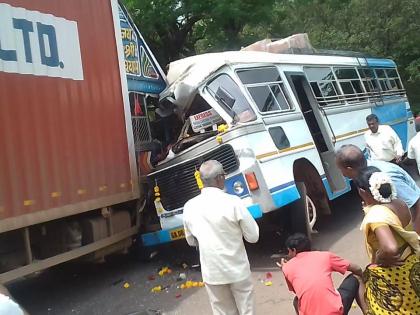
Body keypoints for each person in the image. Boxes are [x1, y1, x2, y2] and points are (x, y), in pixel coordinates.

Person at [183, 160, 259, 315]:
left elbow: (191, 241)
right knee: (247, 310)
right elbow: (253, 236)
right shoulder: (233, 202)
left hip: (212, 273)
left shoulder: (189, 207)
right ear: (220, 178)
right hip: (237, 270)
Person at [354, 167, 420, 314]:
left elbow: (390, 247)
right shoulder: (399, 203)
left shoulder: (377, 214)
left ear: (362, 191)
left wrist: (379, 258)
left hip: (397, 275)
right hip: (412, 263)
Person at [336, 144, 420, 234]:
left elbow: (417, 203)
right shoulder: (365, 175)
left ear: (349, 169)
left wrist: (416, 236)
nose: (342, 174)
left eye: (341, 170)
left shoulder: (384, 176)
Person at [280, 233, 366, 315]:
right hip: (335, 312)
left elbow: (299, 292)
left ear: (294, 250)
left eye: (288, 251)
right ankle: (369, 312)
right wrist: (365, 280)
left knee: (296, 301)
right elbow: (357, 268)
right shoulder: (325, 256)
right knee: (357, 277)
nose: (288, 255)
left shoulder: (287, 267)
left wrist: (285, 269)